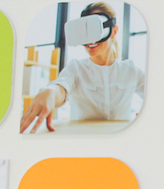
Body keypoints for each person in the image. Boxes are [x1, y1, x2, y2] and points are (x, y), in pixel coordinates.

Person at [19, 2, 145, 132]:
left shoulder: (131, 70)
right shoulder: (76, 68)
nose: (90, 41)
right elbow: (62, 87)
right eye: (85, 31)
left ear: (113, 32)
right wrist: (50, 92)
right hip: (83, 142)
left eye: (95, 30)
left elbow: (157, 96)